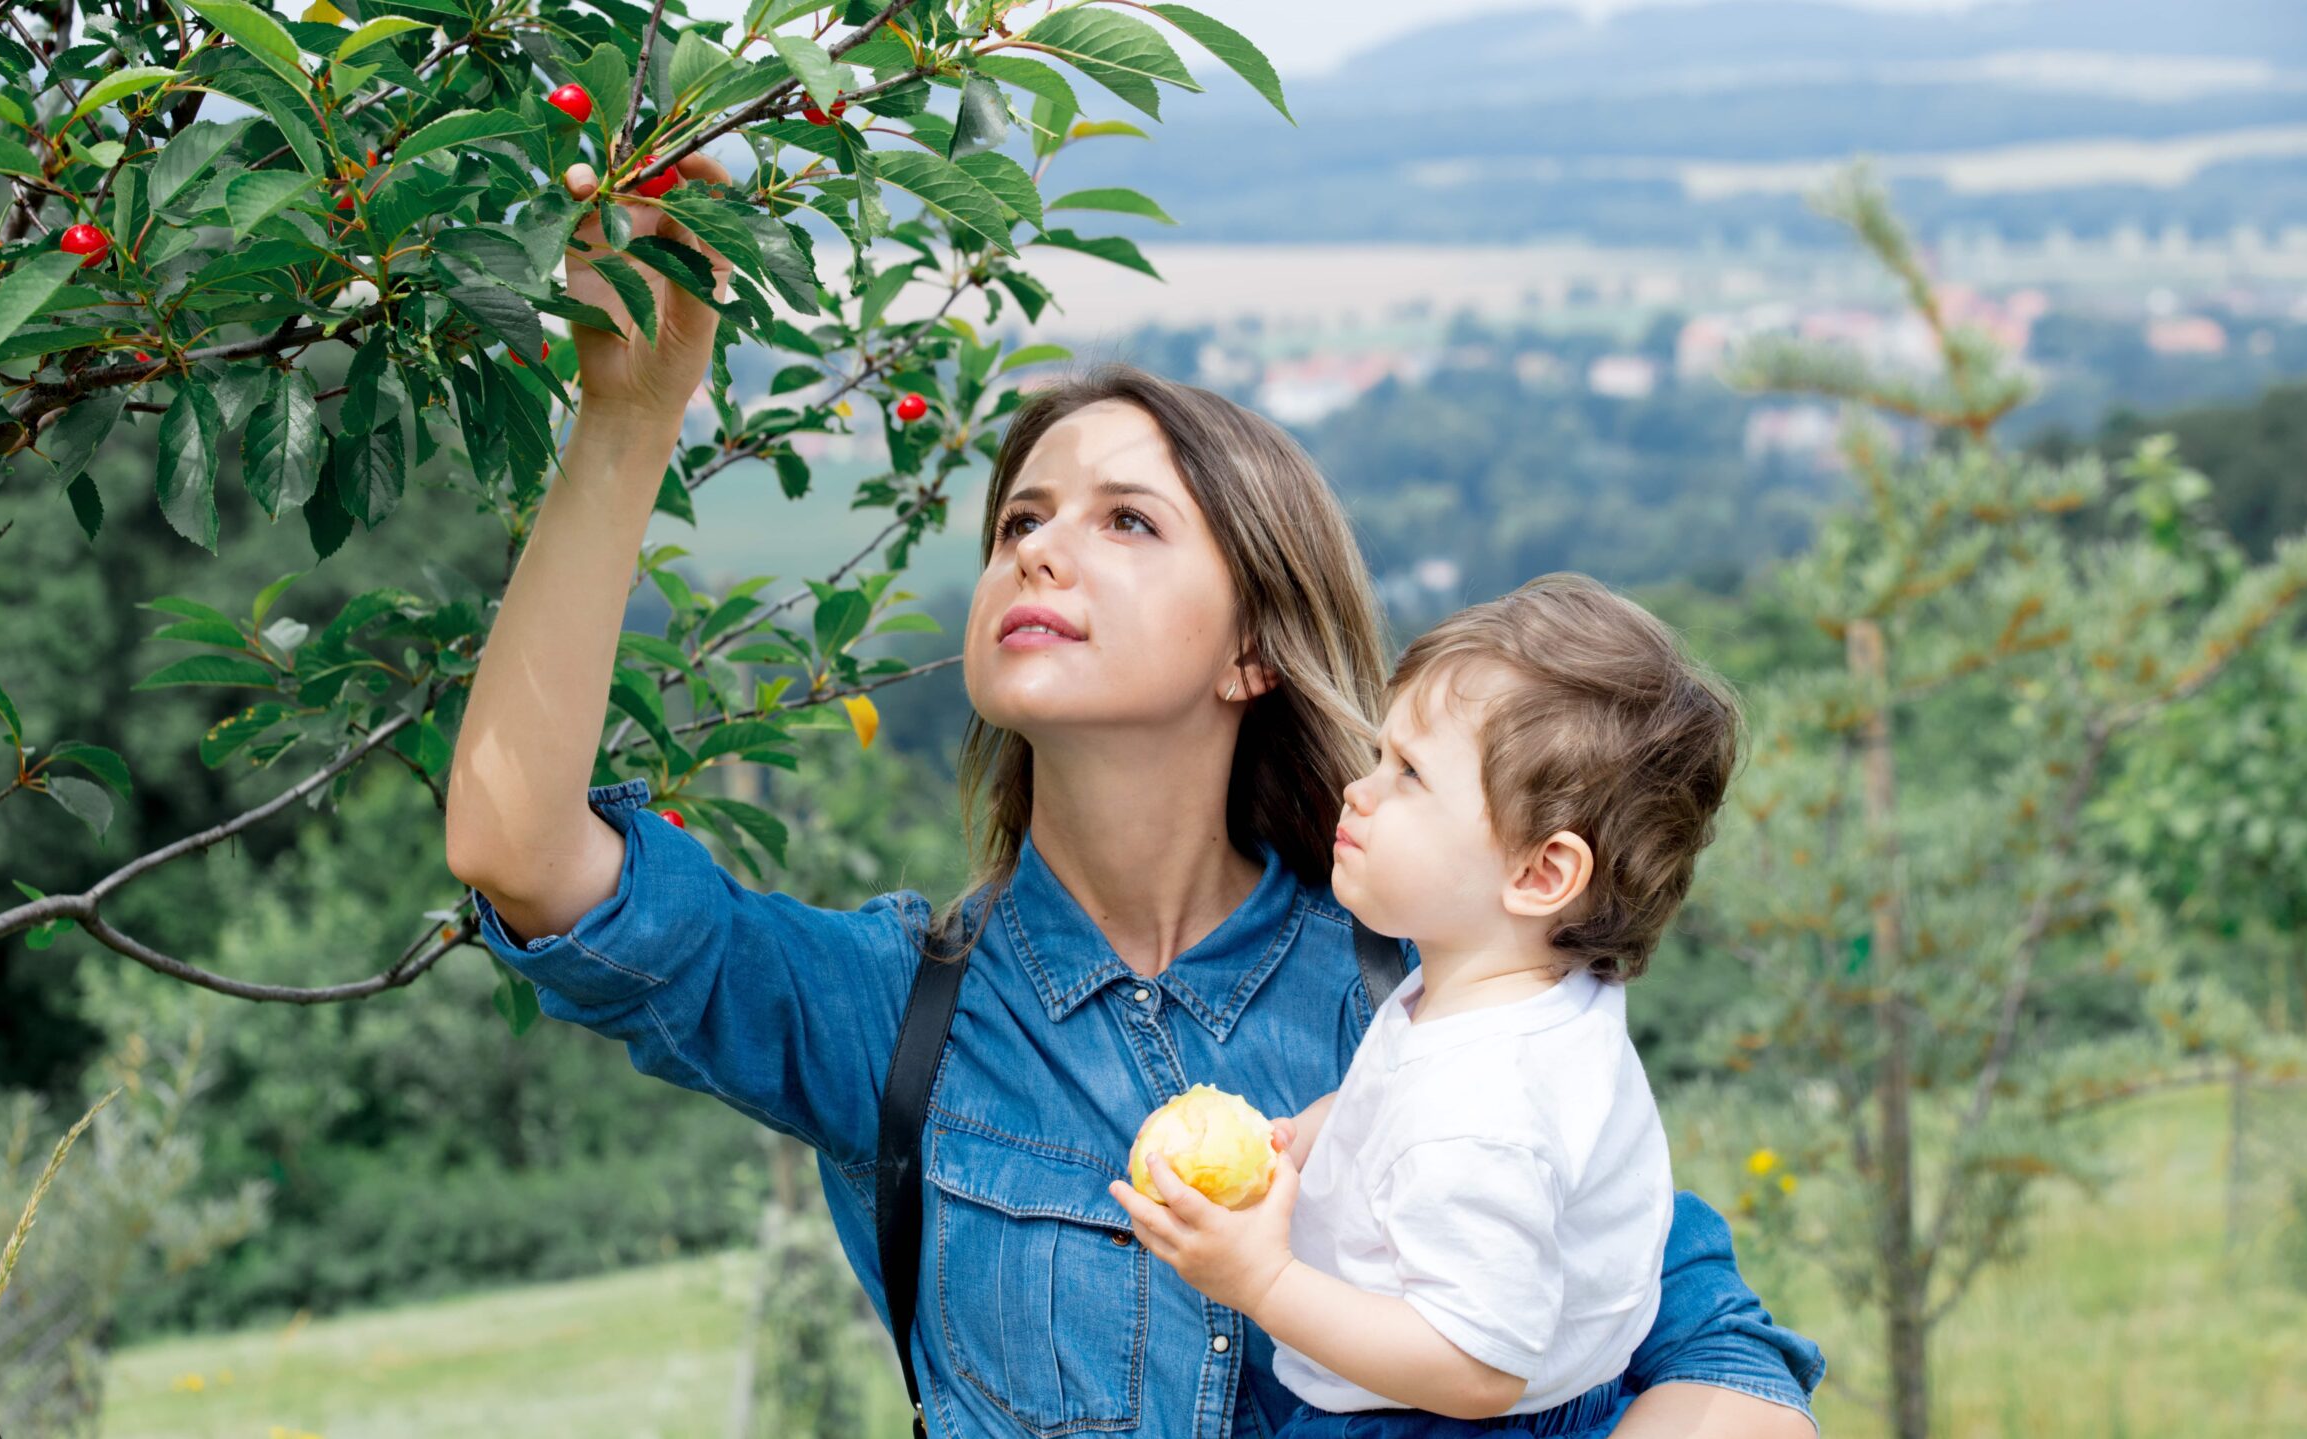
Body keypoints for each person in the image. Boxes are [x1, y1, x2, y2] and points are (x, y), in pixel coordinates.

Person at [445, 154, 1824, 1439]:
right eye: (1020, 520)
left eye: (1127, 521)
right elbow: (520, 849)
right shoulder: (893, 1017)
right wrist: (629, 418)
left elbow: (1711, 1330)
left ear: (1252, 649)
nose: (1041, 551)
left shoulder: (1436, 984)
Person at [1109, 576, 1743, 1439]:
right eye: (1380, 756)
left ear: (1541, 874)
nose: (1360, 791)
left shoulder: (1482, 1108)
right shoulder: (1522, 994)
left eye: (1409, 774)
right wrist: (1300, 1133)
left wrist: (1261, 1282)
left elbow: (1476, 1365)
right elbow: (1397, 1096)